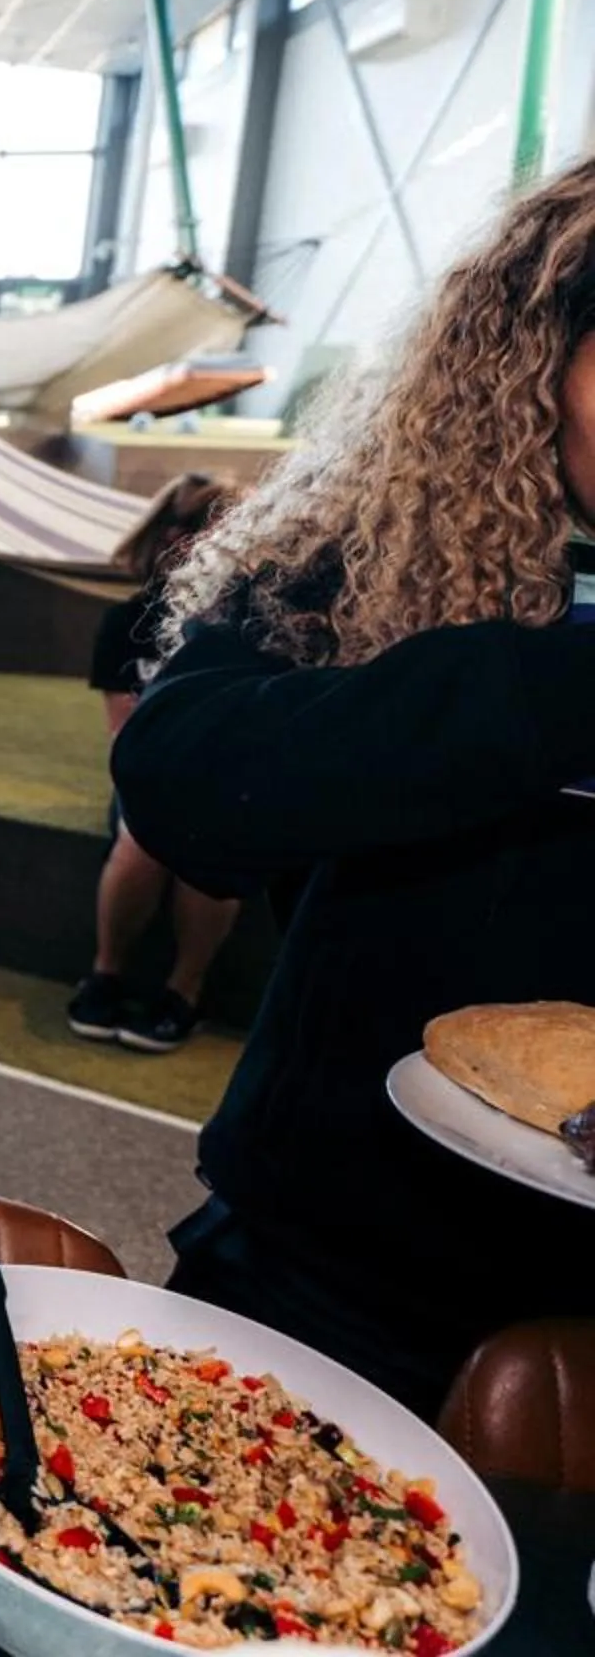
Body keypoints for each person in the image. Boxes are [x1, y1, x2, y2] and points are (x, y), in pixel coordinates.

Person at [116, 157, 595, 1413]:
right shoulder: (399, 544)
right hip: (336, 1260)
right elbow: (183, 776)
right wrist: (557, 683)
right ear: (540, 357)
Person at [68, 476, 239, 1053]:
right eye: (193, 531)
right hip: (151, 773)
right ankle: (106, 972)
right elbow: (124, 737)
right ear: (169, 538)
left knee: (208, 849)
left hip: (227, 776)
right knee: (141, 840)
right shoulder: (128, 624)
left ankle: (183, 991)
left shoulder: (248, 623)